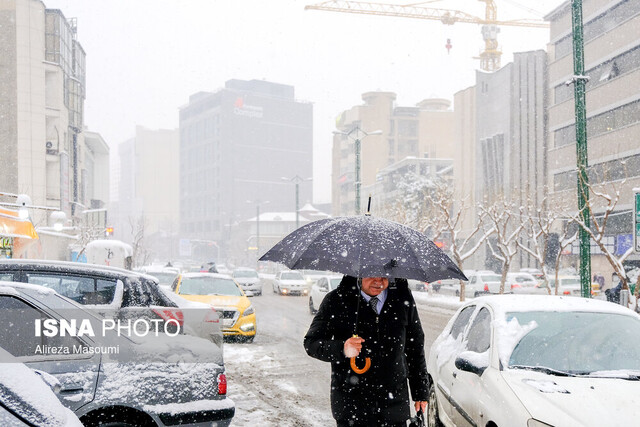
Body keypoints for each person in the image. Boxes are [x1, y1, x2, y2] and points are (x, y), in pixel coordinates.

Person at [304, 275, 429, 426]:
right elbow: (311, 343)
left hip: (394, 405)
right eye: (372, 275)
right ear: (359, 273)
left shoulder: (402, 298)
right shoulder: (336, 300)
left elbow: (415, 346)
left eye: (384, 276)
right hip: (352, 407)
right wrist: (342, 348)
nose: (378, 281)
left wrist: (420, 390)